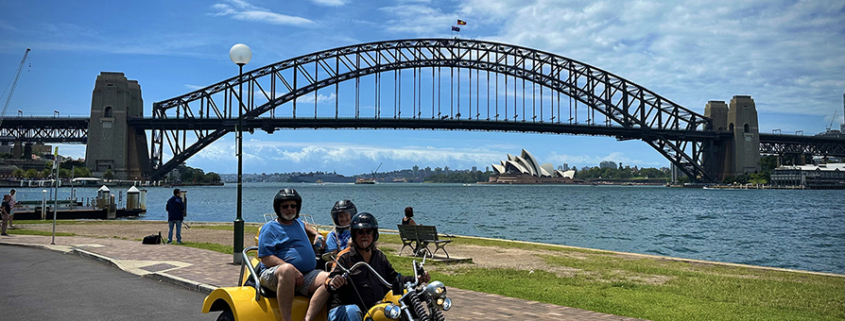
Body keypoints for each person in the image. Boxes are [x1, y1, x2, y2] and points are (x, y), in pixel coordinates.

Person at [326, 212, 430, 321]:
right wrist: (334, 281)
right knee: (353, 310)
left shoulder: (379, 256)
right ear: (354, 235)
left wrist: (416, 279)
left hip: (373, 310)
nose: (364, 236)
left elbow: (394, 279)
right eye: (360, 232)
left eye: (368, 232)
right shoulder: (345, 257)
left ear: (374, 234)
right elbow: (330, 280)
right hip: (344, 311)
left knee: (402, 303)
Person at [258, 188, 331, 321]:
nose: (289, 209)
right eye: (285, 206)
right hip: (275, 274)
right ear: (278, 208)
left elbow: (305, 224)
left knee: (329, 279)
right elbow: (265, 258)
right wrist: (292, 269)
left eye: (293, 206)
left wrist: (316, 234)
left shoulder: (297, 223)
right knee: (287, 269)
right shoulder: (269, 228)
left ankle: (307, 319)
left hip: (305, 274)